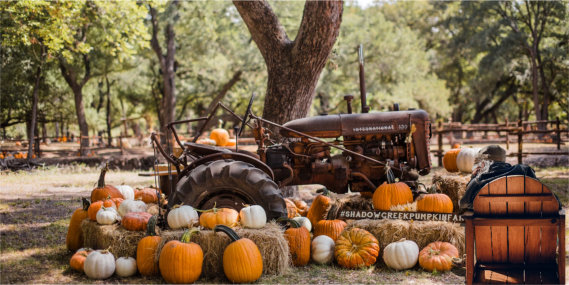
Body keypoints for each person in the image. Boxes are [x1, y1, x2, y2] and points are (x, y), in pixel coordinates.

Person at [459, 145, 537, 211]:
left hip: (490, 223)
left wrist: (473, 177)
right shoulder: (524, 170)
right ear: (503, 159)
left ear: (484, 163)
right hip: (523, 218)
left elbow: (464, 204)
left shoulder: (479, 180)